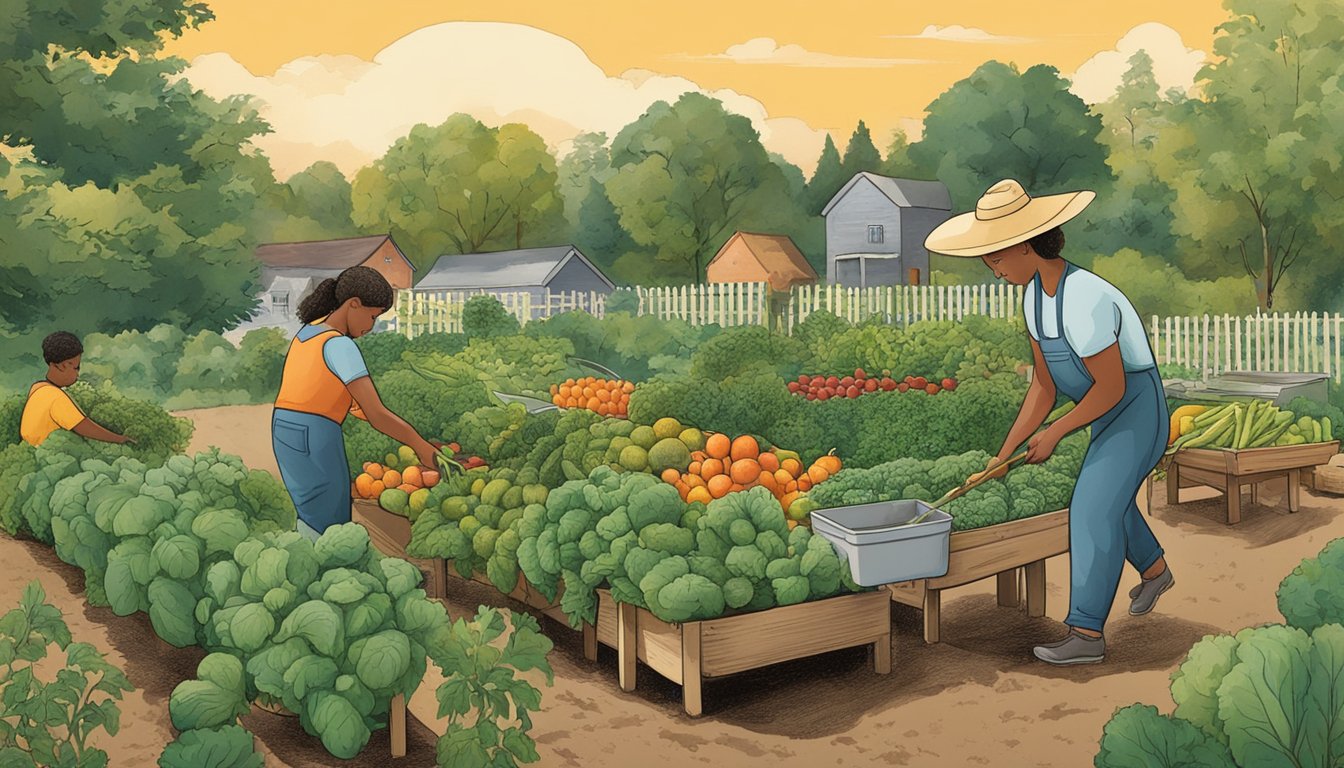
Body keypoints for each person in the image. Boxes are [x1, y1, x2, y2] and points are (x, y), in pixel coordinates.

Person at [924, 179, 1173, 666]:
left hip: (1137, 410)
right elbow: (1044, 385)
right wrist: (1001, 458)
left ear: (1022, 245)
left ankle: (1086, 633)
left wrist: (1055, 432)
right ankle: (1157, 572)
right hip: (1106, 408)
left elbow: (1112, 387)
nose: (993, 271)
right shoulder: (1034, 298)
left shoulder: (1085, 297)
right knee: (1111, 499)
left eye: (995, 259)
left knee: (1092, 506)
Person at [272, 266, 439, 542]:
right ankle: (329, 574)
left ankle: (308, 566)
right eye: (372, 316)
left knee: (309, 512)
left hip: (284, 430)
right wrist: (421, 447)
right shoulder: (340, 346)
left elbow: (335, 396)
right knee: (332, 521)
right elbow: (376, 414)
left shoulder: (309, 332)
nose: (371, 326)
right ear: (353, 305)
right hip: (316, 434)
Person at [20, 332, 133, 447]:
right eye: (76, 368)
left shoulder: (38, 387)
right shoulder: (55, 396)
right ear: (63, 365)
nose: (77, 374)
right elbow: (84, 427)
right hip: (45, 453)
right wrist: (120, 439)